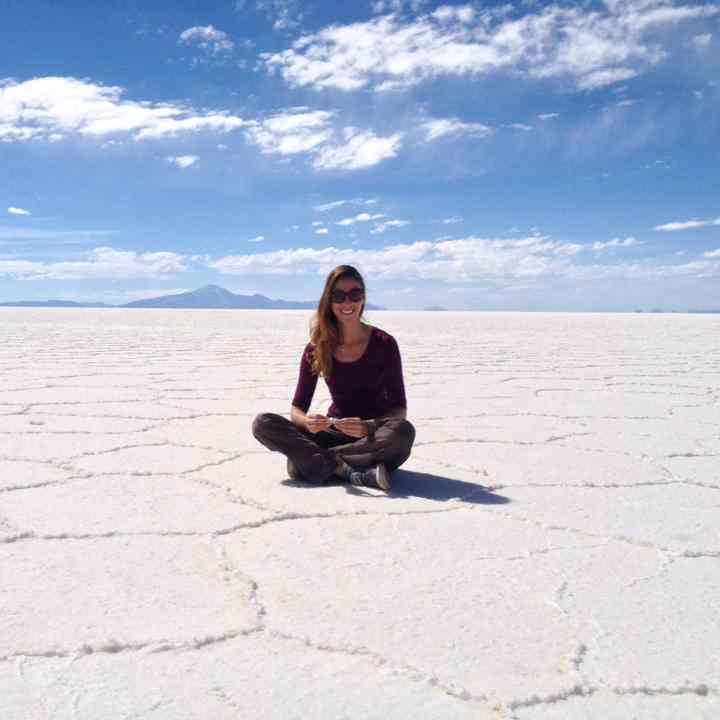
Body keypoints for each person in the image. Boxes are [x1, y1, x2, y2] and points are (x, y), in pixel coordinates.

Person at [252, 264, 415, 491]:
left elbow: (399, 410)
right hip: (332, 431)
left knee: (403, 432)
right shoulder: (316, 348)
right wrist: (308, 422)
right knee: (263, 424)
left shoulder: (384, 344)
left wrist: (369, 426)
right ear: (329, 301)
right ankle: (347, 469)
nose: (347, 303)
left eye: (354, 294)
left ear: (363, 298)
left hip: (372, 437)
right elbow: (297, 410)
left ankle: (311, 462)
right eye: (339, 295)